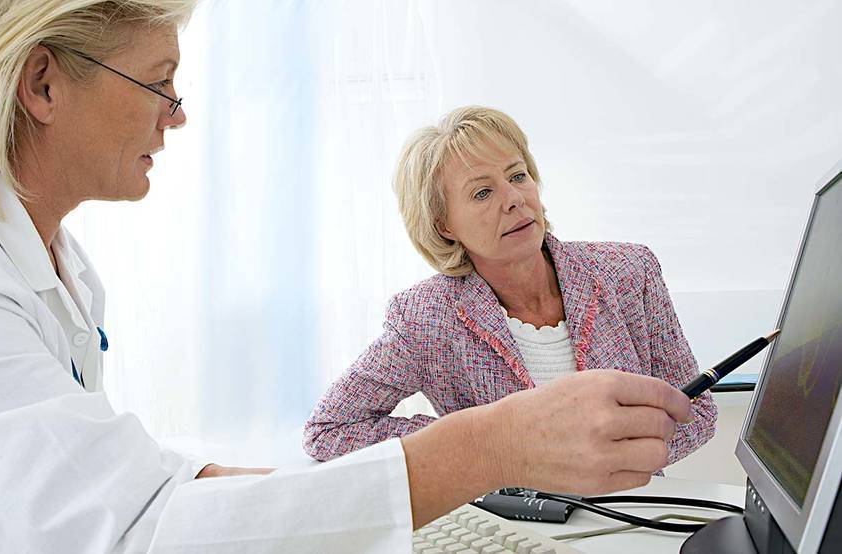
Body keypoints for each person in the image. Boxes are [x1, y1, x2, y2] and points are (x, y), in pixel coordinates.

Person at [0, 2, 693, 552]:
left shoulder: (57, 265)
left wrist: (255, 488)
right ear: (43, 86)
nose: (176, 116)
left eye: (518, 175)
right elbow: (133, 531)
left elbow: (103, 474)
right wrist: (488, 445)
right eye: (159, 81)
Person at [304, 106, 717, 467]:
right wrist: (479, 446)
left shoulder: (627, 271)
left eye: (517, 176)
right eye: (482, 192)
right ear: (444, 225)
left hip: (633, 514)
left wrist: (617, 455)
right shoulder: (425, 317)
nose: (514, 198)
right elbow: (328, 430)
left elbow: (696, 411)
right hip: (513, 532)